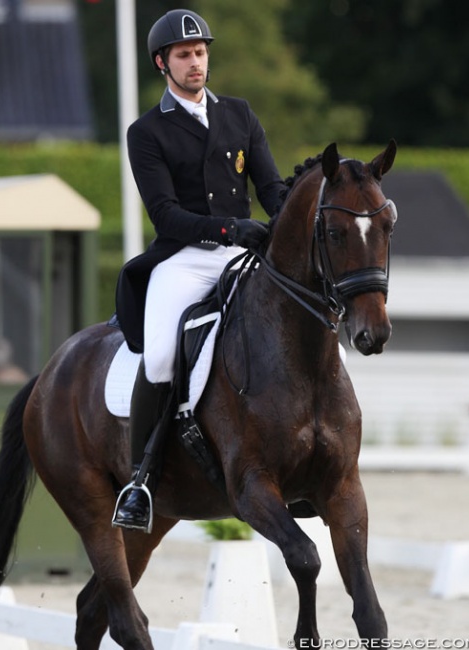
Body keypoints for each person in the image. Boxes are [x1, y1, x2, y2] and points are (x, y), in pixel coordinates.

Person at [112, 9, 286, 532]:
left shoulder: (240, 114)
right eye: (185, 55)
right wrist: (232, 230)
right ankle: (141, 480)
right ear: (163, 63)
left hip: (241, 253)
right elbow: (164, 213)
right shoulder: (147, 131)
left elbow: (272, 189)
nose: (196, 62)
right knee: (162, 354)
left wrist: (289, 222)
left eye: (201, 52)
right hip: (184, 257)